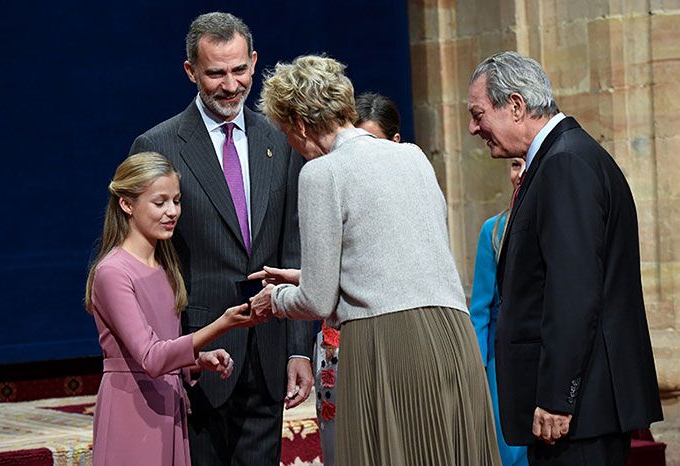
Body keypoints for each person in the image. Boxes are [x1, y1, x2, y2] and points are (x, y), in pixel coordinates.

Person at [250, 54, 500, 466]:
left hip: (387, 343)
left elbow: (316, 301)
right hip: (453, 338)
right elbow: (397, 256)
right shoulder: (413, 157)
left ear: (297, 123)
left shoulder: (321, 173)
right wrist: (304, 276)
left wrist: (274, 299)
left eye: (285, 131)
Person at [128, 12, 313, 466]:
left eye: (239, 70)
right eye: (215, 73)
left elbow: (293, 245)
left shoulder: (281, 137)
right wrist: (172, 352)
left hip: (269, 352)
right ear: (191, 71)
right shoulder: (158, 146)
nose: (230, 85)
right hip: (198, 353)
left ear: (254, 62)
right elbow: (145, 262)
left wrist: (297, 348)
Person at [467, 51, 663, 465]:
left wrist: (557, 397)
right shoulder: (562, 157)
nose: (473, 128)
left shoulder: (565, 162)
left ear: (516, 106)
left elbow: (573, 291)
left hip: (578, 412)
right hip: (581, 408)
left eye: (478, 113)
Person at [85, 152, 258, 466]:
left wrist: (196, 361)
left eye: (176, 201)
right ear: (126, 204)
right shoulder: (113, 273)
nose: (172, 212)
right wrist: (223, 324)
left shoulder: (164, 265)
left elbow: (164, 347)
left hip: (167, 403)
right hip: (131, 409)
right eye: (159, 202)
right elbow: (150, 357)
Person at [310, 91, 403, 466]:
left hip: (388, 341)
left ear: (395, 144)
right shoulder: (328, 182)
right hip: (336, 344)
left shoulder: (410, 191)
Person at [470, 157, 528, 466]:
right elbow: (480, 310)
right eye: (515, 165)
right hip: (502, 367)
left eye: (527, 164)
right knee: (509, 453)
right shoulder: (493, 232)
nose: (520, 174)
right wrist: (477, 372)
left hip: (550, 361)